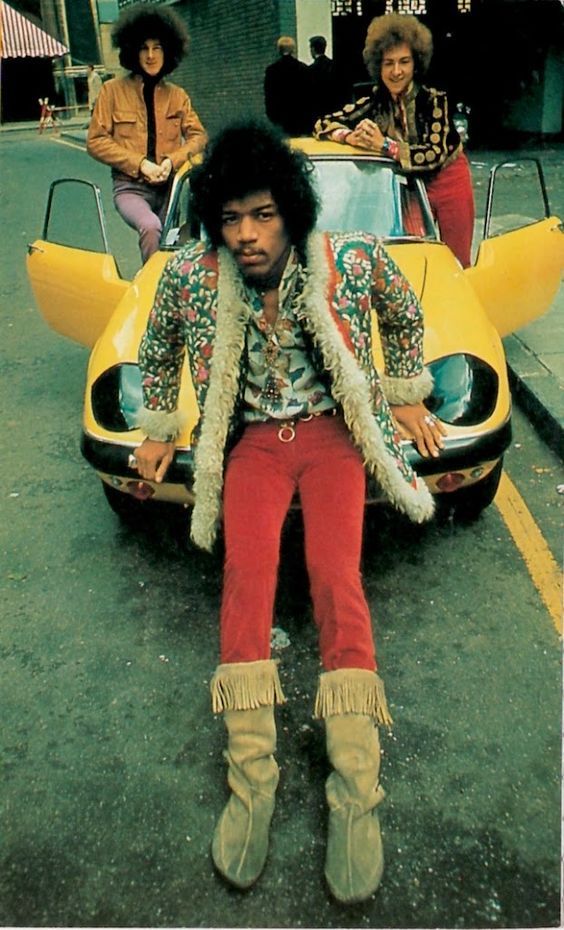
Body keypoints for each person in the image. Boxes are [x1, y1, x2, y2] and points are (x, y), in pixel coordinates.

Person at [131, 120, 446, 903]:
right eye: (231, 217)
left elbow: (405, 313)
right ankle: (252, 784)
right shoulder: (193, 274)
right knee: (247, 583)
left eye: (263, 214)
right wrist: (160, 426)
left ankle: (356, 793)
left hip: (333, 437)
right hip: (255, 445)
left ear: (290, 211)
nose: (246, 234)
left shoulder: (349, 258)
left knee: (338, 579)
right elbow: (158, 342)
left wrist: (405, 393)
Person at [314, 13, 475, 268]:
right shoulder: (374, 100)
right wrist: (348, 136)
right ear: (378, 66)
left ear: (416, 64)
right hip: (409, 184)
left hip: (449, 179)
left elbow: (434, 154)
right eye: (388, 63)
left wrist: (384, 145)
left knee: (457, 261)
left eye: (404, 62)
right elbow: (323, 123)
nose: (396, 71)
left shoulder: (435, 99)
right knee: (410, 255)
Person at [87, 4, 207, 264]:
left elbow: (199, 137)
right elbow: (95, 141)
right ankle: (152, 285)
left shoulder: (178, 95)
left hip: (170, 189)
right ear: (132, 50)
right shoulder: (111, 91)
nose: (151, 56)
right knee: (151, 227)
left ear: (169, 51)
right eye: (144, 48)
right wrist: (140, 164)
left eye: (158, 48)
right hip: (130, 188)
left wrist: (172, 161)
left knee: (177, 241)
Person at [264, 36, 311, 136]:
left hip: (279, 118)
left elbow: (269, 96)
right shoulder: (303, 69)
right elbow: (308, 95)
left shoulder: (272, 70)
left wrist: (272, 116)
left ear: (279, 50)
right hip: (299, 117)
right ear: (293, 49)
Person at [308, 35, 347, 130]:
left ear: (313, 49)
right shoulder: (336, 67)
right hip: (334, 111)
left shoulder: (310, 70)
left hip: (317, 113)